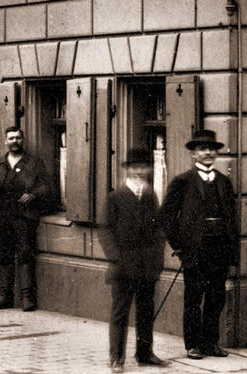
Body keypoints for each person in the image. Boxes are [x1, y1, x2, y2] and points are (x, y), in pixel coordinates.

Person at [160, 129, 238, 361]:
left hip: (219, 249)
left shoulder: (224, 182)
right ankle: (193, 344)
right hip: (195, 250)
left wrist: (231, 252)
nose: (208, 153)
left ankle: (210, 342)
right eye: (202, 149)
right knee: (194, 297)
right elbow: (167, 217)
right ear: (193, 154)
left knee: (216, 296)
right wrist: (180, 246)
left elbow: (232, 219)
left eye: (212, 149)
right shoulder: (182, 182)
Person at [101, 148, 168, 371]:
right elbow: (106, 231)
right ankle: (116, 358)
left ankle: (145, 353)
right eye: (135, 167)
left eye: (143, 167)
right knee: (120, 313)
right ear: (127, 170)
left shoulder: (150, 196)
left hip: (147, 267)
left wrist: (157, 259)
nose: (139, 171)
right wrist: (116, 258)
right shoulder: (115, 197)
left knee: (146, 311)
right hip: (122, 268)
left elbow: (158, 230)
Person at [0, 126, 51, 311]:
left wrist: (34, 194)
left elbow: (46, 186)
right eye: (11, 138)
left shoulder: (34, 163)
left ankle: (27, 298)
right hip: (1, 216)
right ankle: (5, 297)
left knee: (24, 254)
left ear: (23, 139)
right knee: (4, 255)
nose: (14, 141)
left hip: (24, 216)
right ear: (5, 141)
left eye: (18, 138)